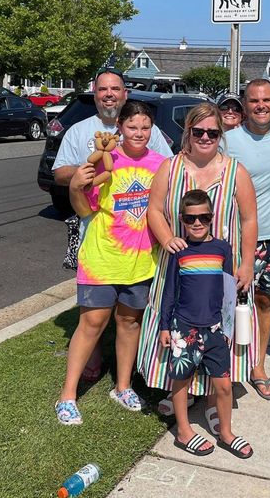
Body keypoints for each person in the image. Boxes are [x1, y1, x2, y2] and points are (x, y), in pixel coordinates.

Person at [138, 103, 257, 430]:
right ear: (187, 133)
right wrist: (166, 239)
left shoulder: (236, 171)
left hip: (222, 274)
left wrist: (247, 263)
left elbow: (249, 220)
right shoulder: (170, 167)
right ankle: (183, 387)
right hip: (180, 270)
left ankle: (211, 398)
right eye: (198, 131)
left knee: (219, 334)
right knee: (180, 328)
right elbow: (154, 210)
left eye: (212, 132)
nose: (205, 137)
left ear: (221, 135)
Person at [52, 67, 173, 380]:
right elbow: (59, 173)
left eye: (115, 89)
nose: (109, 94)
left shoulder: (147, 131)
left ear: (124, 94)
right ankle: (92, 360)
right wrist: (85, 173)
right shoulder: (79, 131)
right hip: (93, 229)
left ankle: (125, 373)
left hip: (137, 242)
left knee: (129, 313)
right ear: (95, 93)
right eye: (103, 89)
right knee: (92, 314)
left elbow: (164, 169)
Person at [223, 78, 270, 401]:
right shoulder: (227, 140)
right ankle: (224, 366)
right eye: (253, 100)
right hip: (235, 238)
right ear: (245, 104)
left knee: (264, 303)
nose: (261, 105)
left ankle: (257, 365)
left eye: (267, 99)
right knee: (227, 304)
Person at [159, 190, 253, 459]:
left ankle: (226, 432)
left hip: (214, 329)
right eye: (191, 219)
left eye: (204, 217)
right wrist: (166, 326)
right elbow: (169, 290)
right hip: (184, 327)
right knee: (180, 380)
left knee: (223, 385)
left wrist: (227, 328)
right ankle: (184, 431)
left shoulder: (223, 248)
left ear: (212, 217)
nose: (197, 223)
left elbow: (227, 291)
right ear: (182, 219)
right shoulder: (179, 250)